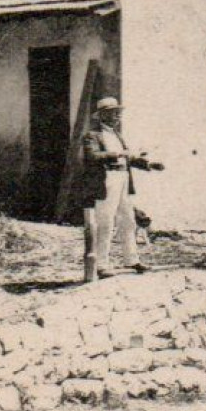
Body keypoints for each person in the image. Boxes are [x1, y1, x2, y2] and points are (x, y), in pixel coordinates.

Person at [80, 97, 160, 280]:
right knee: (106, 222)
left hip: (123, 179)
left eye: (118, 113)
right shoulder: (92, 136)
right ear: (102, 115)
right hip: (107, 180)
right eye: (113, 113)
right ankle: (101, 264)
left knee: (128, 220)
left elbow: (128, 158)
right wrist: (117, 154)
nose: (117, 116)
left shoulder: (117, 135)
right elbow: (92, 156)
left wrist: (148, 165)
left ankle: (131, 259)